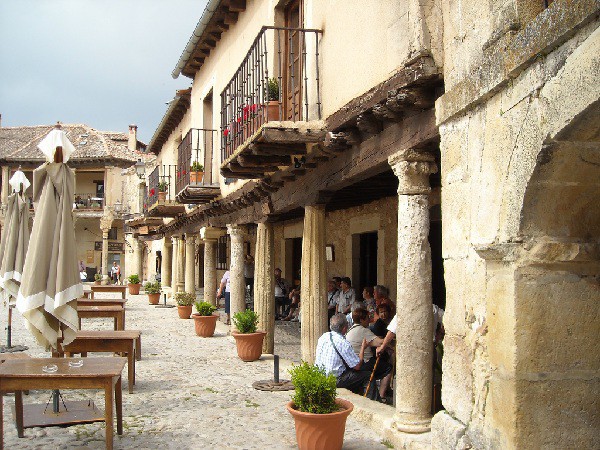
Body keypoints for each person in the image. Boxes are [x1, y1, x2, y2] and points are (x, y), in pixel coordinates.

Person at [315, 313, 371, 394]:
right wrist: (363, 347)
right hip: (334, 379)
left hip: (320, 375)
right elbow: (357, 366)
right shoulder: (343, 343)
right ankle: (371, 401)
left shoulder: (324, 336)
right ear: (345, 328)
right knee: (367, 375)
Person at [346, 307, 393, 402]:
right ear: (362, 320)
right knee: (388, 367)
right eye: (367, 318)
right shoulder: (363, 330)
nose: (369, 320)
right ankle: (382, 395)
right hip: (363, 362)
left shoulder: (350, 330)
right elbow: (380, 343)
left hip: (352, 363)